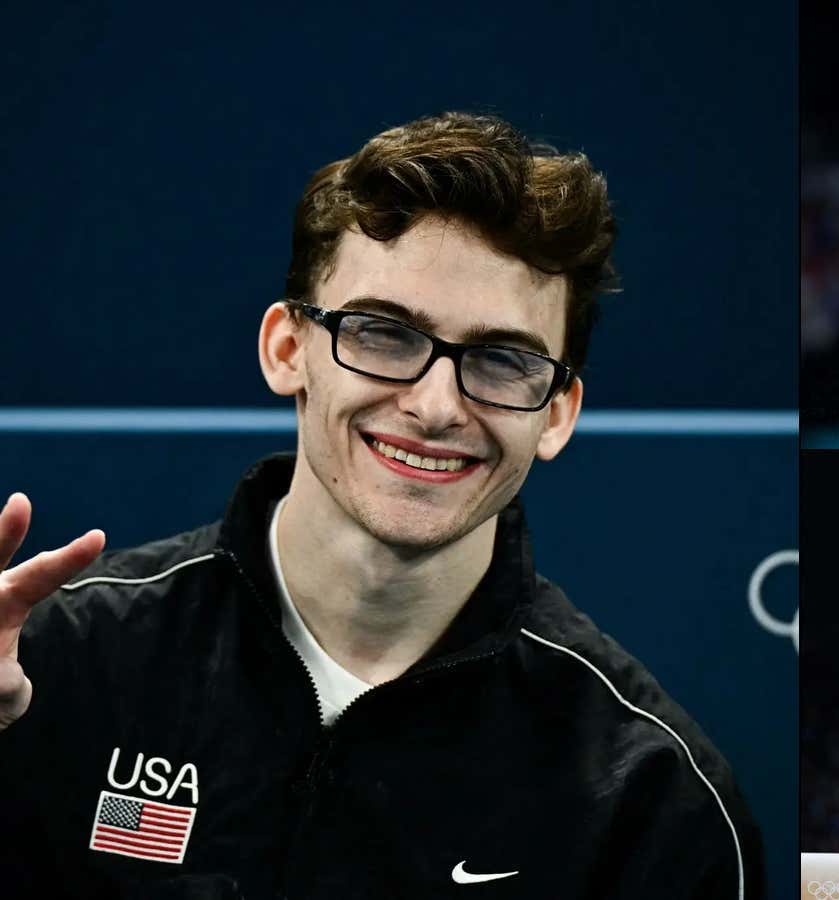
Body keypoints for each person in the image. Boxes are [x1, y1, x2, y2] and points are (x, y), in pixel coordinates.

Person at [0, 112, 765, 900]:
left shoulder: (650, 800)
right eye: (384, 334)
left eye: (502, 360)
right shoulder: (49, 667)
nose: (435, 407)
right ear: (288, 350)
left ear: (557, 414)